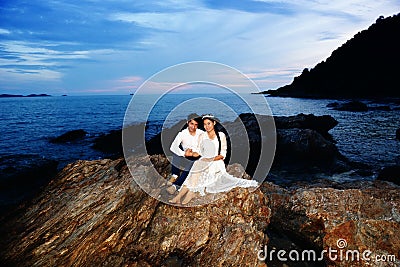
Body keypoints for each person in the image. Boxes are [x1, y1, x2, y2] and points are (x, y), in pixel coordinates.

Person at [169, 114, 258, 205]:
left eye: (209, 124)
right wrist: (189, 154)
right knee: (196, 165)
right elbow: (199, 152)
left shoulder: (220, 135)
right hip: (205, 161)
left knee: (197, 168)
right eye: (204, 124)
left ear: (214, 123)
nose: (207, 126)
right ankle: (179, 196)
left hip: (216, 162)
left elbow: (223, 155)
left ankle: (190, 193)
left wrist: (210, 159)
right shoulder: (202, 136)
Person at [167, 113, 204, 193]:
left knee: (192, 164)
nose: (193, 127)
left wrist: (194, 153)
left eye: (196, 125)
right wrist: (184, 153)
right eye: (192, 124)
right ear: (188, 122)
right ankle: (175, 175)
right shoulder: (182, 133)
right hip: (185, 157)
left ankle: (175, 186)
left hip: (196, 158)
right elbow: (172, 147)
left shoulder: (201, 134)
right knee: (176, 153)